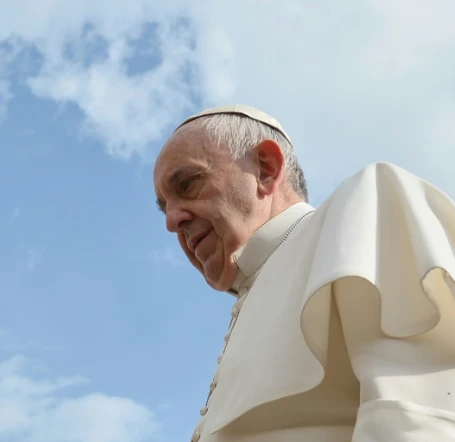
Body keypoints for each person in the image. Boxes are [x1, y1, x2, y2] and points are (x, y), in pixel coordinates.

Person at [153, 105, 455, 441]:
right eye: (164, 206)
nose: (171, 221)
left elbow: (419, 420)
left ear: (266, 169)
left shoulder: (366, 209)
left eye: (188, 184)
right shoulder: (250, 294)